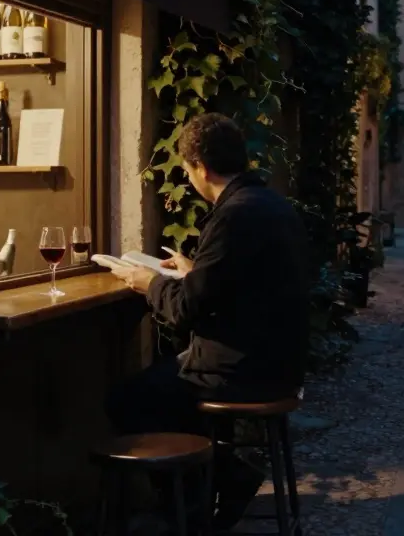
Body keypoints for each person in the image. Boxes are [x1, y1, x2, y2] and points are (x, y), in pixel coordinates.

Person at [105, 113, 309, 530]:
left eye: (186, 170)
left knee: (129, 399)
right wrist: (194, 269)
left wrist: (148, 283)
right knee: (166, 388)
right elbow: (243, 281)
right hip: (280, 361)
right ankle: (219, 480)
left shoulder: (232, 214)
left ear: (199, 166)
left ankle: (197, 503)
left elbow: (185, 311)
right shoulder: (270, 203)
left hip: (243, 367)